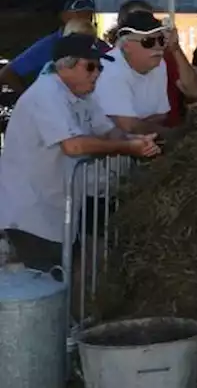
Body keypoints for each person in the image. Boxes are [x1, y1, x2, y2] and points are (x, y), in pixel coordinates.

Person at [0, 34, 160, 271]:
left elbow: (108, 132)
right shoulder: (46, 94)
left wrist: (135, 140)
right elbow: (73, 146)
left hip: (56, 212)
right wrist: (127, 147)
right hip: (29, 214)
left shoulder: (83, 95)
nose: (97, 74)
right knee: (42, 290)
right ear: (66, 65)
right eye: (91, 66)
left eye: (100, 67)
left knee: (63, 281)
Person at [94, 11, 176, 137]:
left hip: (141, 143)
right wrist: (173, 134)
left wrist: (136, 125)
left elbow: (161, 115)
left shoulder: (159, 64)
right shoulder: (109, 68)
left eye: (161, 40)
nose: (158, 47)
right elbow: (128, 125)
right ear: (126, 46)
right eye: (148, 42)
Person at [0, 0, 99, 95]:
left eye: (89, 14)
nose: (86, 18)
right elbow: (7, 73)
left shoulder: (99, 46)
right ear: (63, 16)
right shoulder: (48, 45)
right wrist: (31, 98)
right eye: (79, 14)